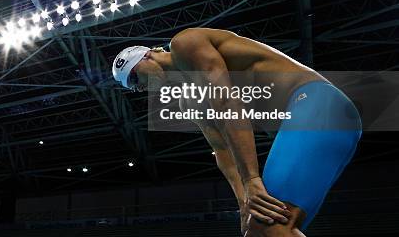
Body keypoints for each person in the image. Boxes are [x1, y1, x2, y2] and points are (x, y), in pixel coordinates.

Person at [112, 28, 361, 236]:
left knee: (267, 225)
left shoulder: (185, 43)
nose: (137, 88)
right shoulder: (188, 101)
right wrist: (244, 201)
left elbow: (227, 102)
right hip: (325, 122)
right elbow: (222, 150)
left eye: (133, 78)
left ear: (150, 55)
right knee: (262, 230)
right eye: (130, 88)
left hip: (316, 104)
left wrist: (252, 179)